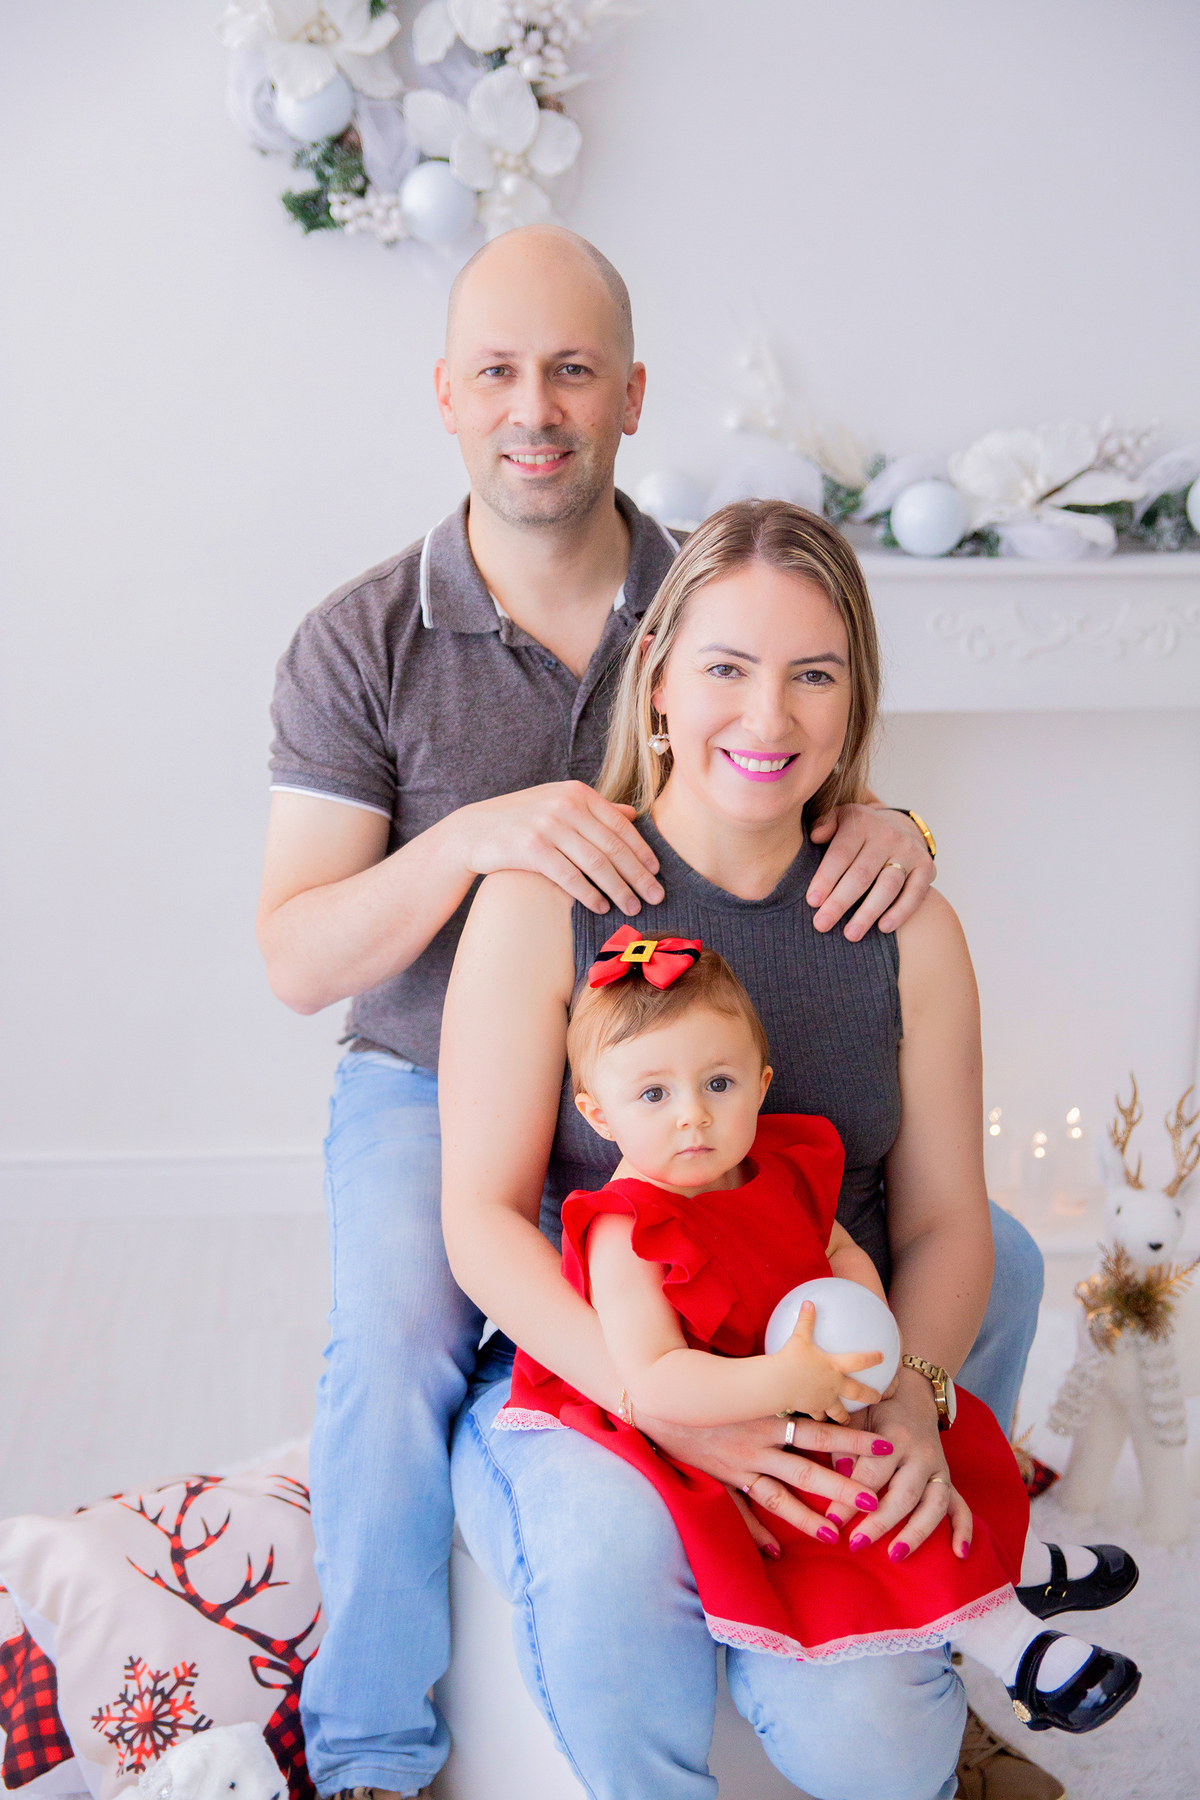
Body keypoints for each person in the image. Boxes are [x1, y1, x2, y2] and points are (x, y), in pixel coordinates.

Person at [257, 228, 943, 1800]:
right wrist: (472, 838)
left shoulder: (712, 587)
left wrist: (906, 831)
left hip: (690, 1058)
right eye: (498, 370)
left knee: (943, 1249)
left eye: (573, 370)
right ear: (444, 394)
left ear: (632, 393)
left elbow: (800, 764)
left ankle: (904, 1627)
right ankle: (371, 1753)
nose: (536, 406)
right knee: (402, 1329)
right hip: (437, 1074)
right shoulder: (356, 643)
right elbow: (300, 959)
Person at [438, 500, 1072, 1800]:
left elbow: (953, 1221)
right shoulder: (544, 900)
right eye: (728, 668)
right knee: (611, 1596)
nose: (768, 717)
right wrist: (663, 1400)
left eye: (813, 676)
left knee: (882, 1748)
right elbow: (482, 1218)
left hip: (823, 1385)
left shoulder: (910, 929)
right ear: (659, 682)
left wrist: (914, 1397)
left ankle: (955, 1697)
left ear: (853, 705)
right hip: (593, 1376)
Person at [498, 937, 1141, 1736]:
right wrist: (783, 1384)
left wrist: (864, 1320)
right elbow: (655, 1377)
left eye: (719, 1083)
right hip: (725, 1406)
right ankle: (1023, 1654)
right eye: (653, 1094)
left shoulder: (780, 1166)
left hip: (813, 1374)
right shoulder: (626, 1228)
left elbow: (839, 1248)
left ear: (761, 1086)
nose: (693, 1114)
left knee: (941, 1437)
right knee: (856, 1496)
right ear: (597, 1111)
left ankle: (1019, 1563)